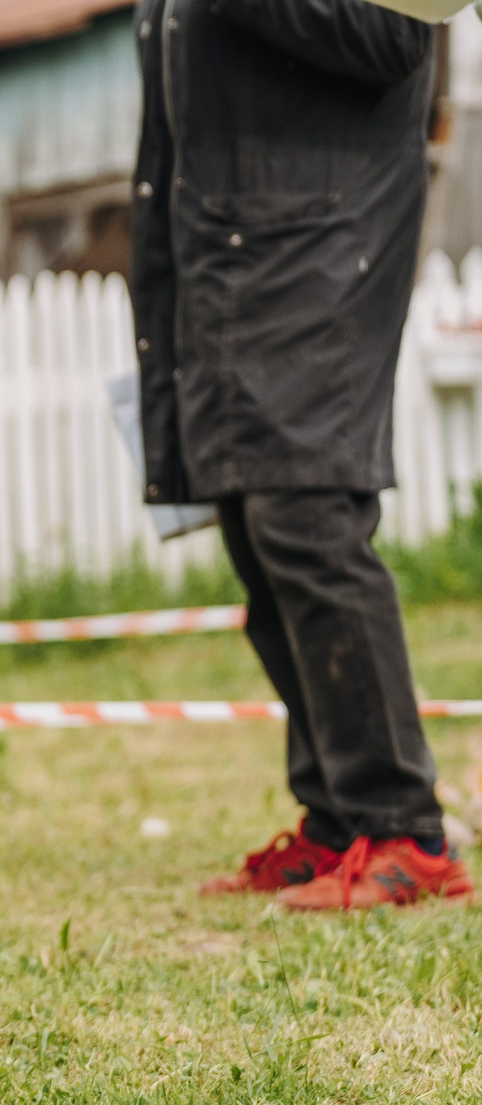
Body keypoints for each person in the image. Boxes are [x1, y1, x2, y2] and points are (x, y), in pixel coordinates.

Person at [132, 0, 472, 910]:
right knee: (254, 524)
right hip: (226, 254)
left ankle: (405, 830)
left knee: (307, 515)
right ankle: (338, 822)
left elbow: (397, 37)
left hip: (320, 241)